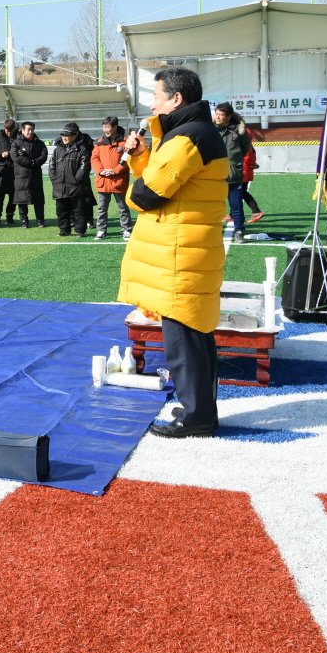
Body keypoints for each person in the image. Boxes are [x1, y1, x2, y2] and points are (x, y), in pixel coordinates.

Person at [120, 66, 229, 438]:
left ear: (176, 99)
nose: (152, 103)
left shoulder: (188, 137)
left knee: (184, 338)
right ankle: (199, 410)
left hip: (181, 251)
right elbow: (164, 179)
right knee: (194, 335)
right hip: (186, 248)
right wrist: (140, 158)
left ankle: (196, 417)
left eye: (156, 96)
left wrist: (133, 186)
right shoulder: (192, 133)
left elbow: (147, 194)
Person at [90, 116, 133, 241]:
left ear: (115, 127)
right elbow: (94, 158)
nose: (106, 129)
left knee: (123, 208)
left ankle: (126, 230)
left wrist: (115, 171)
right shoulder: (99, 142)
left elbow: (127, 160)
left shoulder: (125, 142)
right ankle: (101, 230)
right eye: (104, 127)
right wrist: (101, 171)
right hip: (103, 181)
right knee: (102, 209)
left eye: (108, 126)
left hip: (119, 181)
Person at [213, 103, 251, 244]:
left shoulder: (239, 131)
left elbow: (246, 147)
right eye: (217, 113)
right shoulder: (210, 129)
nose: (218, 116)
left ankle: (239, 231)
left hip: (234, 174)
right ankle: (211, 230)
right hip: (214, 175)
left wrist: (235, 161)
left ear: (229, 116)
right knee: (212, 204)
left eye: (221, 114)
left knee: (236, 205)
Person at [49, 123, 92, 237]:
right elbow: (51, 166)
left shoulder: (82, 149)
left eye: (67, 135)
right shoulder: (57, 150)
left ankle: (80, 231)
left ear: (74, 136)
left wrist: (76, 179)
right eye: (63, 135)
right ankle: (64, 230)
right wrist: (55, 179)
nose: (64, 137)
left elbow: (85, 167)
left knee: (79, 210)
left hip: (76, 186)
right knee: (61, 210)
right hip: (60, 186)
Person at [11, 121, 48, 228]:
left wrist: (35, 162)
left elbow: (44, 155)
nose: (30, 132)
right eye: (28, 130)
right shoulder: (16, 143)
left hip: (36, 174)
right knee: (21, 199)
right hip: (21, 175)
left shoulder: (39, 143)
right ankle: (24, 221)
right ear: (23, 130)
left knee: (38, 199)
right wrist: (29, 162)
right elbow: (15, 157)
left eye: (32, 129)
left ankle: (40, 220)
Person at [0, 119, 19, 225]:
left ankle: (10, 217)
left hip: (16, 170)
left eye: (10, 130)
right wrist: (1, 154)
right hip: (1, 171)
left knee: (13, 196)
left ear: (15, 128)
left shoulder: (19, 137)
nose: (8, 132)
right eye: (7, 130)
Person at [242, 145, 264, 223]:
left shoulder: (245, 144)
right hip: (245, 171)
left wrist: (253, 164)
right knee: (239, 192)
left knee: (239, 192)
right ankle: (233, 214)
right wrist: (254, 164)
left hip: (242, 171)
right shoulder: (248, 145)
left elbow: (247, 157)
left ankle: (256, 211)